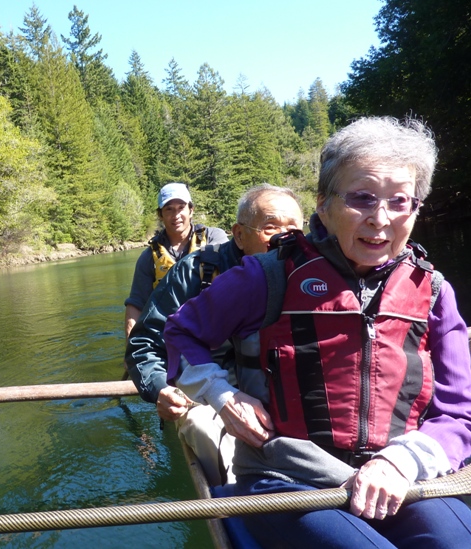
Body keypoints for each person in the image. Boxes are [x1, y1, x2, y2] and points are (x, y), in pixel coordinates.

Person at [164, 117, 471, 548]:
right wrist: (222, 394)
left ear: (416, 209)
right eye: (361, 198)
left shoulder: (433, 291)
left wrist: (400, 462)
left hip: (398, 478)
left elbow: (459, 415)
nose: (380, 219)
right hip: (290, 477)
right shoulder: (264, 276)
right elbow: (180, 334)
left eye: (400, 201)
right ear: (324, 204)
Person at [125, 184, 304, 484]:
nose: (283, 240)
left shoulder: (309, 272)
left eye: (293, 230)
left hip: (274, 391)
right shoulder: (189, 269)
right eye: (270, 228)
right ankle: (229, 499)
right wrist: (159, 388)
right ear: (240, 235)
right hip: (202, 391)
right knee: (198, 425)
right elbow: (143, 339)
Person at [124, 182, 228, 339]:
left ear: (191, 210)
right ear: (161, 215)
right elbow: (135, 305)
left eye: (181, 207)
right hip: (171, 334)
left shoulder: (215, 238)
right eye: (169, 209)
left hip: (215, 327)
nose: (176, 215)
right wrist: (130, 351)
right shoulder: (148, 258)